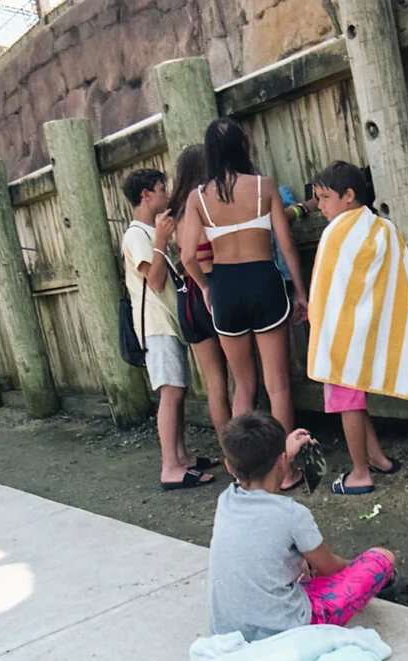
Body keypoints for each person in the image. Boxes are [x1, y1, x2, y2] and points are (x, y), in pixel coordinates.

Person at [178, 118, 310, 489]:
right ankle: (286, 472)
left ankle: (243, 472)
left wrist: (206, 287)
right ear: (243, 147)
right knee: (278, 385)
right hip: (263, 280)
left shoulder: (198, 197)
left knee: (243, 386)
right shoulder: (264, 186)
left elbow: (187, 256)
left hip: (225, 287)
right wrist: (301, 291)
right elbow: (286, 244)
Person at [208, 411, 396, 642]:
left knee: (302, 565)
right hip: (288, 630)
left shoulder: (226, 500)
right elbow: (331, 568)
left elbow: (251, 476)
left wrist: (284, 453)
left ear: (229, 467)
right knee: (381, 557)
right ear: (282, 461)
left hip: (228, 630)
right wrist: (356, 566)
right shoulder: (292, 514)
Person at [307, 161, 408, 495]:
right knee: (355, 398)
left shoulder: (336, 233)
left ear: (348, 195)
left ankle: (360, 473)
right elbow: (404, 279)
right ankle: (378, 459)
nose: (320, 206)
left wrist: (319, 321)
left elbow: (326, 289)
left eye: (325, 198)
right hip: (366, 332)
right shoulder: (382, 228)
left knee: (347, 402)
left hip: (340, 336)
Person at [120, 168, 216, 491]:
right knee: (170, 392)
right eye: (162, 189)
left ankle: (182, 457)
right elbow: (156, 280)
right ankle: (170, 467)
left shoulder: (148, 232)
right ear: (146, 195)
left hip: (167, 323)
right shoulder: (136, 235)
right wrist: (161, 241)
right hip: (155, 325)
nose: (167, 194)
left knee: (178, 390)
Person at [166, 144, 232, 441]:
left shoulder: (177, 213)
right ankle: (248, 449)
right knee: (242, 379)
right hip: (214, 288)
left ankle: (229, 452)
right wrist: (208, 286)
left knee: (214, 382)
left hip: (188, 298)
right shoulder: (210, 205)